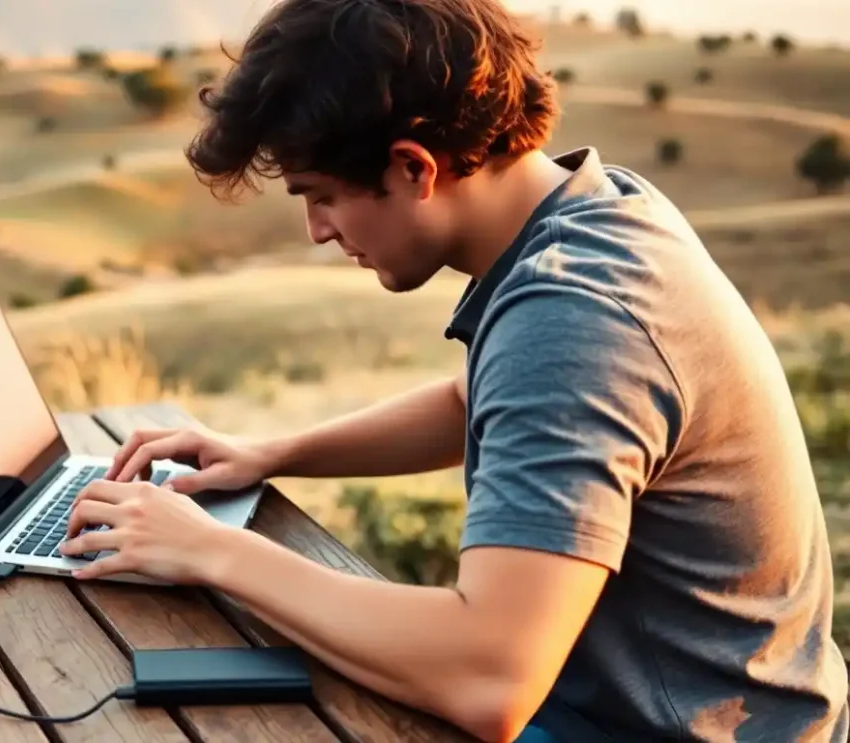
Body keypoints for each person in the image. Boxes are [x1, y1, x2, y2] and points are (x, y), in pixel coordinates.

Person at [58, 0, 850, 740]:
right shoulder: (593, 211)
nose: (316, 230)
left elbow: (488, 679)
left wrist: (211, 551)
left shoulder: (574, 316)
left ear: (413, 166)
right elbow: (469, 401)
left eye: (321, 195)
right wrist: (272, 452)